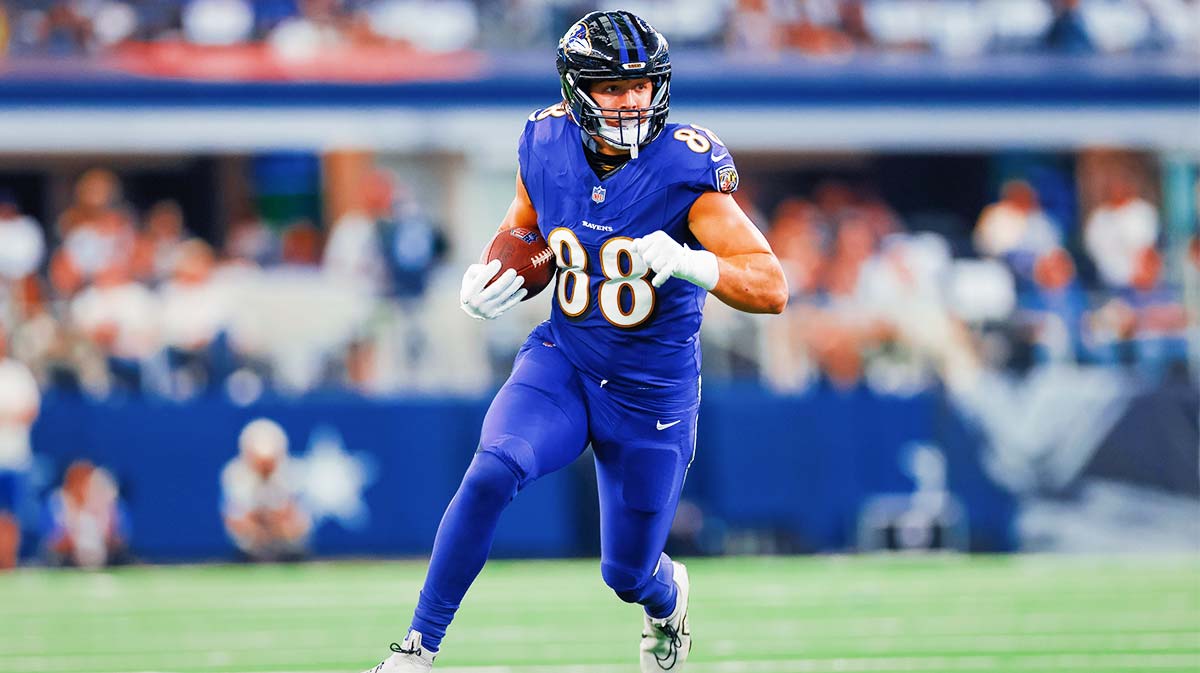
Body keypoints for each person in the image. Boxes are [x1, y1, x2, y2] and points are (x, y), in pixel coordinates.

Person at [362, 10, 787, 673]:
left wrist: (692, 262)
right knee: (493, 468)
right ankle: (417, 649)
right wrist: (493, 273)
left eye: (641, 85)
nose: (632, 101)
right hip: (565, 360)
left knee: (627, 574)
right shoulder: (544, 141)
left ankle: (667, 597)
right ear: (576, 91)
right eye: (613, 88)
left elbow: (771, 285)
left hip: (652, 393)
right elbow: (524, 228)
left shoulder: (684, 167)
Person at [220, 417, 311, 561]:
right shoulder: (236, 475)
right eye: (261, 462)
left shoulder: (292, 474)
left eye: (269, 462)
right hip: (253, 544)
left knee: (295, 539)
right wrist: (259, 528)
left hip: (285, 542)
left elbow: (298, 523)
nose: (265, 467)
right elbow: (235, 521)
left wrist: (277, 525)